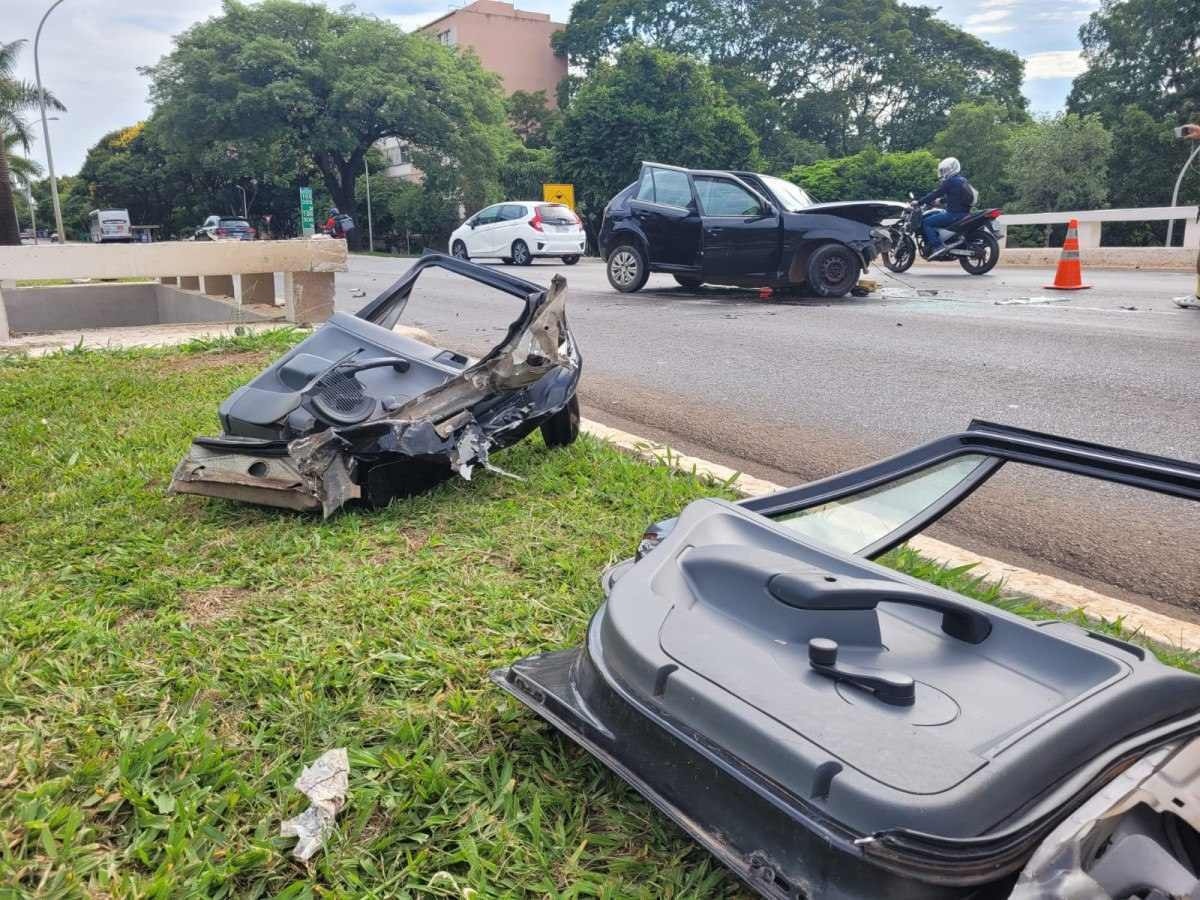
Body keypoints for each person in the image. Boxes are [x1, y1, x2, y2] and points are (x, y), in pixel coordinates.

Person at [916, 157, 976, 259]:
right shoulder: (962, 180)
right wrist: (941, 201)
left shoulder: (950, 181)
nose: (944, 172)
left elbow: (935, 193)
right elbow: (955, 197)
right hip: (965, 214)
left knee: (926, 222)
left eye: (945, 170)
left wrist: (919, 202)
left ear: (952, 169)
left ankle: (938, 246)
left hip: (953, 215)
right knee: (937, 217)